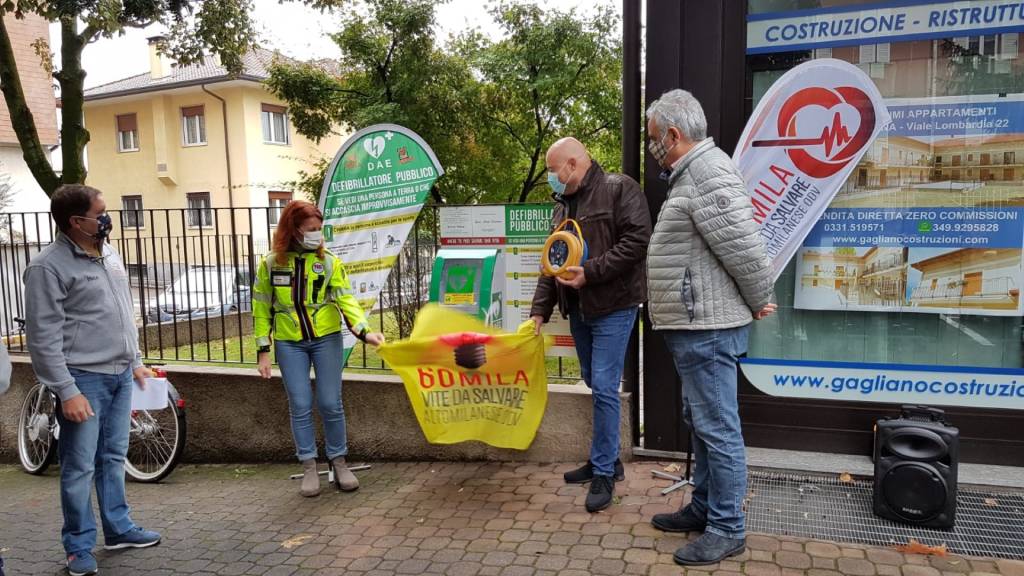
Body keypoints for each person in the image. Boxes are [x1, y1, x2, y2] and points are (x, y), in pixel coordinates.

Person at [644, 89, 777, 566]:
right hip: (696, 325)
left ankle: (727, 528)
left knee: (718, 430)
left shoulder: (707, 171)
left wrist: (761, 297)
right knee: (701, 425)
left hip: (709, 328)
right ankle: (704, 508)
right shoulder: (691, 174)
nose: (651, 146)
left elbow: (744, 245)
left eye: (654, 138)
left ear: (674, 135)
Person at [24, 185, 161, 576]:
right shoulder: (47, 267)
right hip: (83, 380)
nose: (106, 217)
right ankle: (78, 545)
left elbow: (121, 310)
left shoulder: (109, 254)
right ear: (76, 221)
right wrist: (66, 390)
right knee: (79, 466)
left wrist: (135, 361)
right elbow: (43, 337)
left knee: (113, 457)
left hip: (120, 375)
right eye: (100, 212)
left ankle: (118, 529)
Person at [530, 137, 652, 513]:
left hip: (614, 306)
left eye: (553, 170)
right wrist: (539, 311)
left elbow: (638, 241)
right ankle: (608, 458)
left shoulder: (619, 188)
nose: (551, 177)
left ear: (571, 163)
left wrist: (591, 274)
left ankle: (603, 473)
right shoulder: (562, 205)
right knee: (591, 379)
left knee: (602, 385)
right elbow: (552, 261)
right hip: (579, 309)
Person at [253, 200, 385, 497]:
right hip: (289, 342)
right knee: (299, 404)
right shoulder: (271, 264)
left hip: (326, 338)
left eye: (319, 229)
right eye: (311, 230)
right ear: (294, 230)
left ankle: (339, 462)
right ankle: (310, 466)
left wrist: (365, 332)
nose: (317, 235)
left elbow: (347, 301)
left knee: (329, 402)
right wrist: (263, 349)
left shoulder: (329, 263)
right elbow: (261, 308)